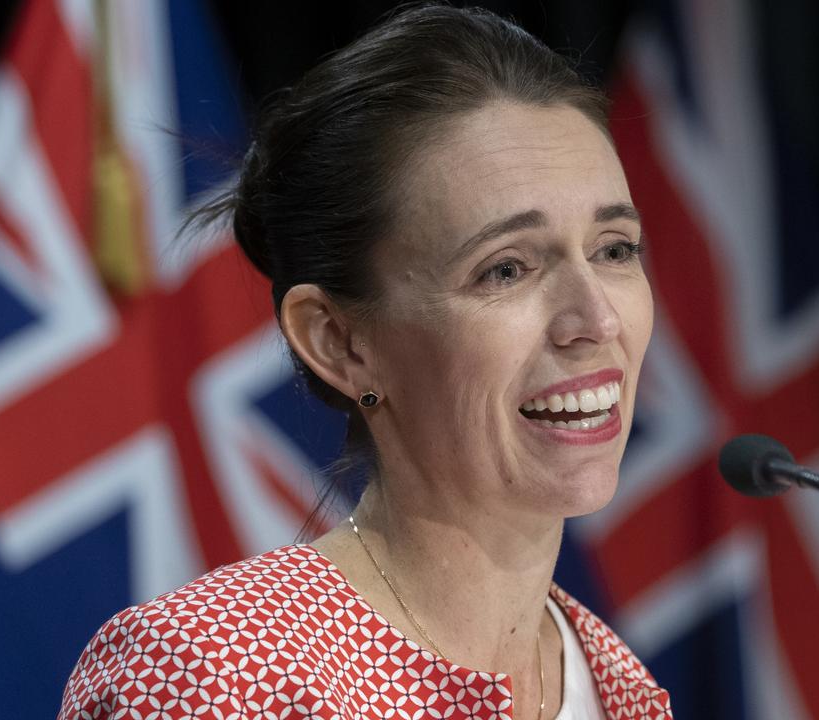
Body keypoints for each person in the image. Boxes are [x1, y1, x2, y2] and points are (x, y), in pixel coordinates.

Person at [58, 5, 668, 719]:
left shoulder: (620, 688)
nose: (595, 321)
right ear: (339, 342)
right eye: (505, 270)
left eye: (615, 250)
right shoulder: (212, 675)